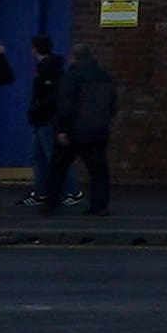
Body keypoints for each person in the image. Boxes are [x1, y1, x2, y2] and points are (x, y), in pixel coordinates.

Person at [52, 42, 119, 215]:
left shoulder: (72, 77)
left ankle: (52, 203)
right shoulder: (105, 76)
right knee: (99, 171)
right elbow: (113, 105)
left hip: (75, 130)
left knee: (58, 167)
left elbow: (65, 105)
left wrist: (61, 129)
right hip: (98, 130)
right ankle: (100, 206)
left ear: (73, 57)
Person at [22, 42, 70, 210]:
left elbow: (47, 96)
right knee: (38, 156)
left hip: (46, 119)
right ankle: (41, 192)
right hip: (42, 119)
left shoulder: (46, 69)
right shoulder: (52, 66)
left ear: (34, 49)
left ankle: (70, 191)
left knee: (52, 156)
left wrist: (38, 110)